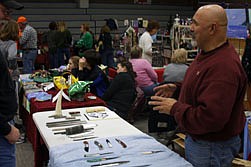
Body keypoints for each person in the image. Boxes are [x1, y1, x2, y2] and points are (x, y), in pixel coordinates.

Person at [149, 4, 247, 167]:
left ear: (212, 28)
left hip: (211, 147)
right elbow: (205, 88)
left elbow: (211, 119)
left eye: (195, 23)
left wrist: (175, 108)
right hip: (203, 144)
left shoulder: (223, 67)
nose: (191, 28)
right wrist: (178, 89)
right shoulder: (208, 55)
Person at [0, 1, 23, 166]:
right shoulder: (12, 45)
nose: (7, 16)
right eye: (4, 11)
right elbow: (12, 60)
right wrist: (6, 128)